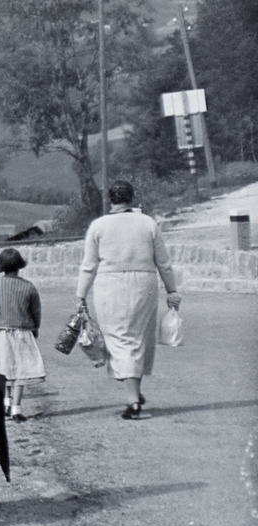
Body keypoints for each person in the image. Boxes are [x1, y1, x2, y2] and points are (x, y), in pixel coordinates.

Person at [74, 180, 181, 420]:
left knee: (121, 338)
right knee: (139, 336)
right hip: (145, 283)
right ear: (131, 198)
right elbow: (163, 261)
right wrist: (172, 290)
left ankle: (133, 401)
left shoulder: (98, 226)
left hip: (110, 285)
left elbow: (89, 266)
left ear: (110, 200)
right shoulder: (147, 223)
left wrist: (80, 295)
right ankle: (136, 392)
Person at [0, 248, 44, 420]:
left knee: (4, 368)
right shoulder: (28, 287)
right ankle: (16, 409)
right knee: (20, 370)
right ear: (20, 265)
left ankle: (5, 402)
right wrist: (35, 328)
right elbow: (36, 312)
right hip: (22, 331)